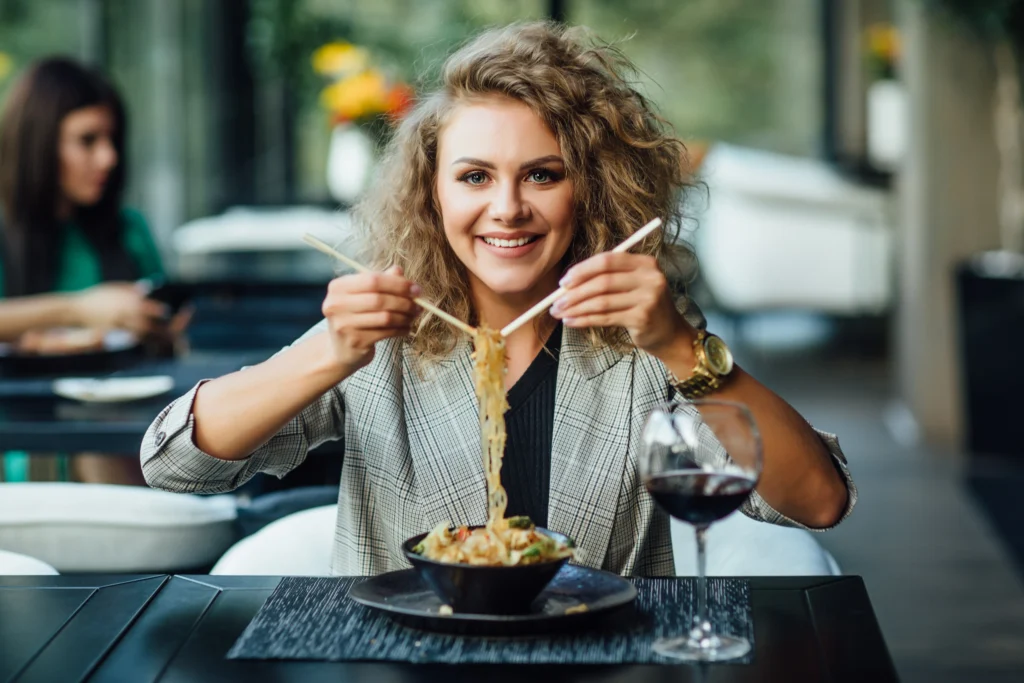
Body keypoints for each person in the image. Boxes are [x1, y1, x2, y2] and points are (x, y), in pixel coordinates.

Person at [141, 22, 856, 576]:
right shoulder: (384, 335)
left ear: (591, 190)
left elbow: (818, 501)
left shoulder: (646, 337)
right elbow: (175, 463)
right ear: (432, 192)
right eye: (475, 177)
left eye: (542, 175)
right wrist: (328, 351)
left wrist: (679, 345)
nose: (507, 209)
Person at [0, 57, 180, 485]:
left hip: (126, 435)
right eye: (87, 140)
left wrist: (160, 330)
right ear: (39, 143)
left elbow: (168, 343)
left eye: (112, 139)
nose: (108, 157)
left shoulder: (128, 229)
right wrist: (79, 310)